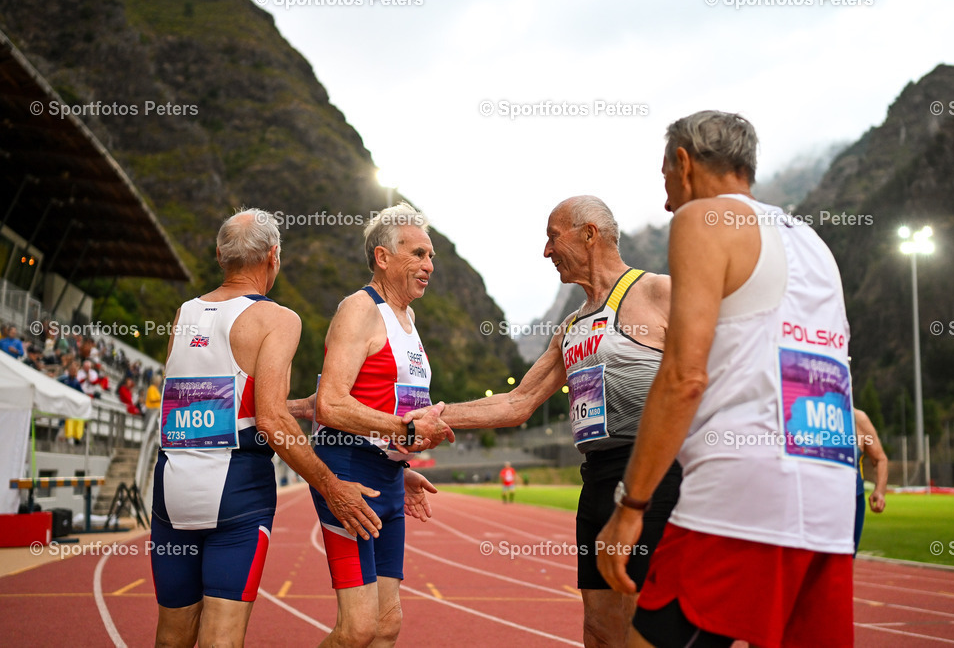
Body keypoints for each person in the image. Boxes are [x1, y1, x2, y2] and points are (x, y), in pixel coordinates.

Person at [596, 111, 857, 648]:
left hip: (745, 493)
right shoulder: (812, 244)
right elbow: (822, 367)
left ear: (684, 164)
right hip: (830, 489)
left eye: (665, 179)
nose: (668, 201)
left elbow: (684, 374)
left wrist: (630, 506)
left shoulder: (704, 220)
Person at [440, 195, 681, 648]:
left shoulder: (659, 293)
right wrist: (437, 415)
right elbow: (517, 403)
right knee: (598, 627)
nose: (546, 252)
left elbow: (724, 369)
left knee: (644, 629)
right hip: (595, 480)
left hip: (652, 476)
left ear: (589, 234)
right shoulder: (571, 326)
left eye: (553, 238)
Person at [150, 208, 383, 648]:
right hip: (236, 492)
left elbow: (209, 401)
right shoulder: (277, 319)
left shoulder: (184, 315)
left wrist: (297, 406)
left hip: (171, 490)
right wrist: (331, 485)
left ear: (220, 254)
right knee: (222, 637)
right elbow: (270, 420)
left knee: (172, 635)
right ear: (273, 256)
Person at [291, 202, 453, 648]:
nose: (429, 265)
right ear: (383, 257)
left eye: (431, 255)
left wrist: (401, 463)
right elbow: (331, 403)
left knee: (386, 627)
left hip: (388, 478)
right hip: (348, 470)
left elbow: (382, 397)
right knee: (357, 628)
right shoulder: (359, 309)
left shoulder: (409, 319)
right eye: (418, 254)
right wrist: (405, 433)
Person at [854, 408, 888, 554]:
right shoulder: (810, 415)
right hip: (815, 500)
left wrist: (879, 491)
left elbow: (880, 459)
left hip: (853, 500)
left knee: (846, 559)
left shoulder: (858, 419)